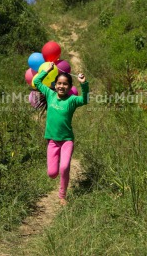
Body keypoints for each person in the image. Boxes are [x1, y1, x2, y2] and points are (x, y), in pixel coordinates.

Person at [34, 62, 89, 206]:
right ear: (55, 84)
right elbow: (36, 81)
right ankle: (58, 165)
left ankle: (62, 196)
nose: (61, 86)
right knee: (52, 173)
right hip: (52, 141)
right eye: (59, 83)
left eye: (65, 84)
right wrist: (46, 70)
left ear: (70, 87)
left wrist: (84, 84)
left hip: (67, 140)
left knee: (64, 167)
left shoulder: (71, 100)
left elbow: (85, 100)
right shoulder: (50, 94)